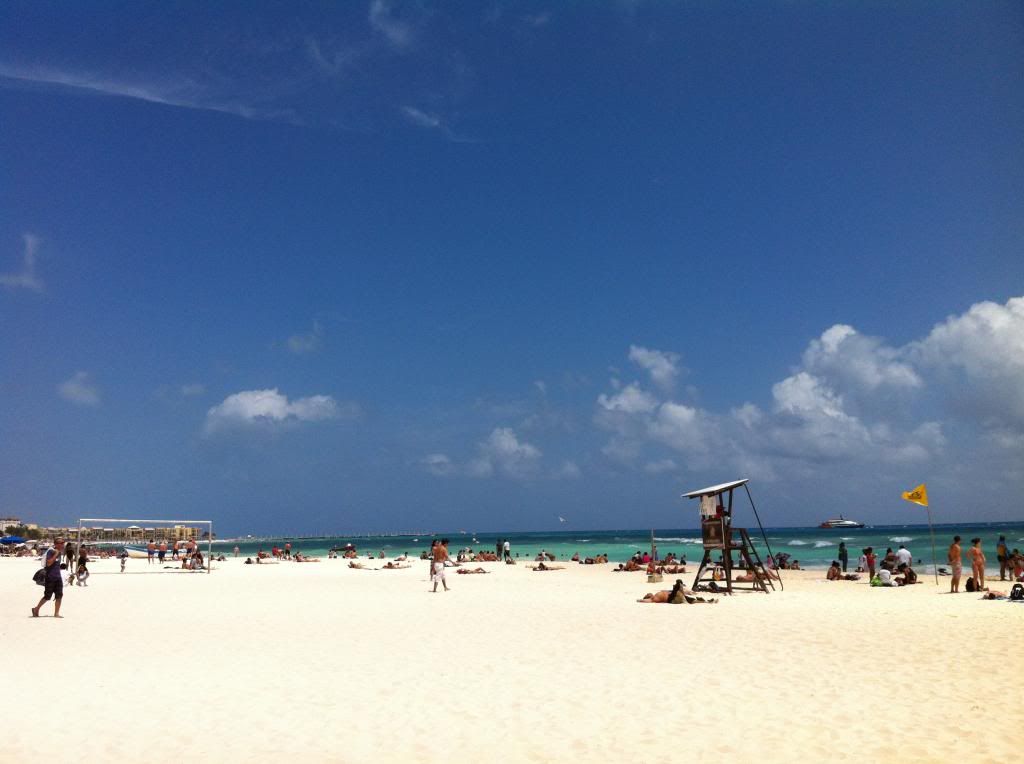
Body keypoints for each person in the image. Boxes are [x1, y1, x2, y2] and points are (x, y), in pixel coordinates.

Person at [31, 548, 64, 618]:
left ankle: (56, 613)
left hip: (58, 577)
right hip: (50, 577)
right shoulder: (51, 552)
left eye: (62, 543)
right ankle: (36, 609)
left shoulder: (59, 552)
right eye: (59, 543)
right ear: (55, 544)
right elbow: (49, 563)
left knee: (59, 596)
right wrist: (55, 554)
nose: (61, 545)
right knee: (47, 596)